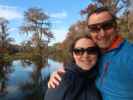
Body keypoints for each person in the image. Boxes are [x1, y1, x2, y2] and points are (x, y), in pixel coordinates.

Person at [48, 7, 133, 100]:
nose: (102, 33)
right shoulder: (99, 52)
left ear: (115, 26)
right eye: (94, 28)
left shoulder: (129, 55)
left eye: (107, 26)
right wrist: (63, 73)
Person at [45, 35, 102, 100]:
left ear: (98, 54)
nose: (85, 55)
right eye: (78, 51)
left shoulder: (95, 73)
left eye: (91, 50)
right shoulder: (63, 79)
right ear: (73, 55)